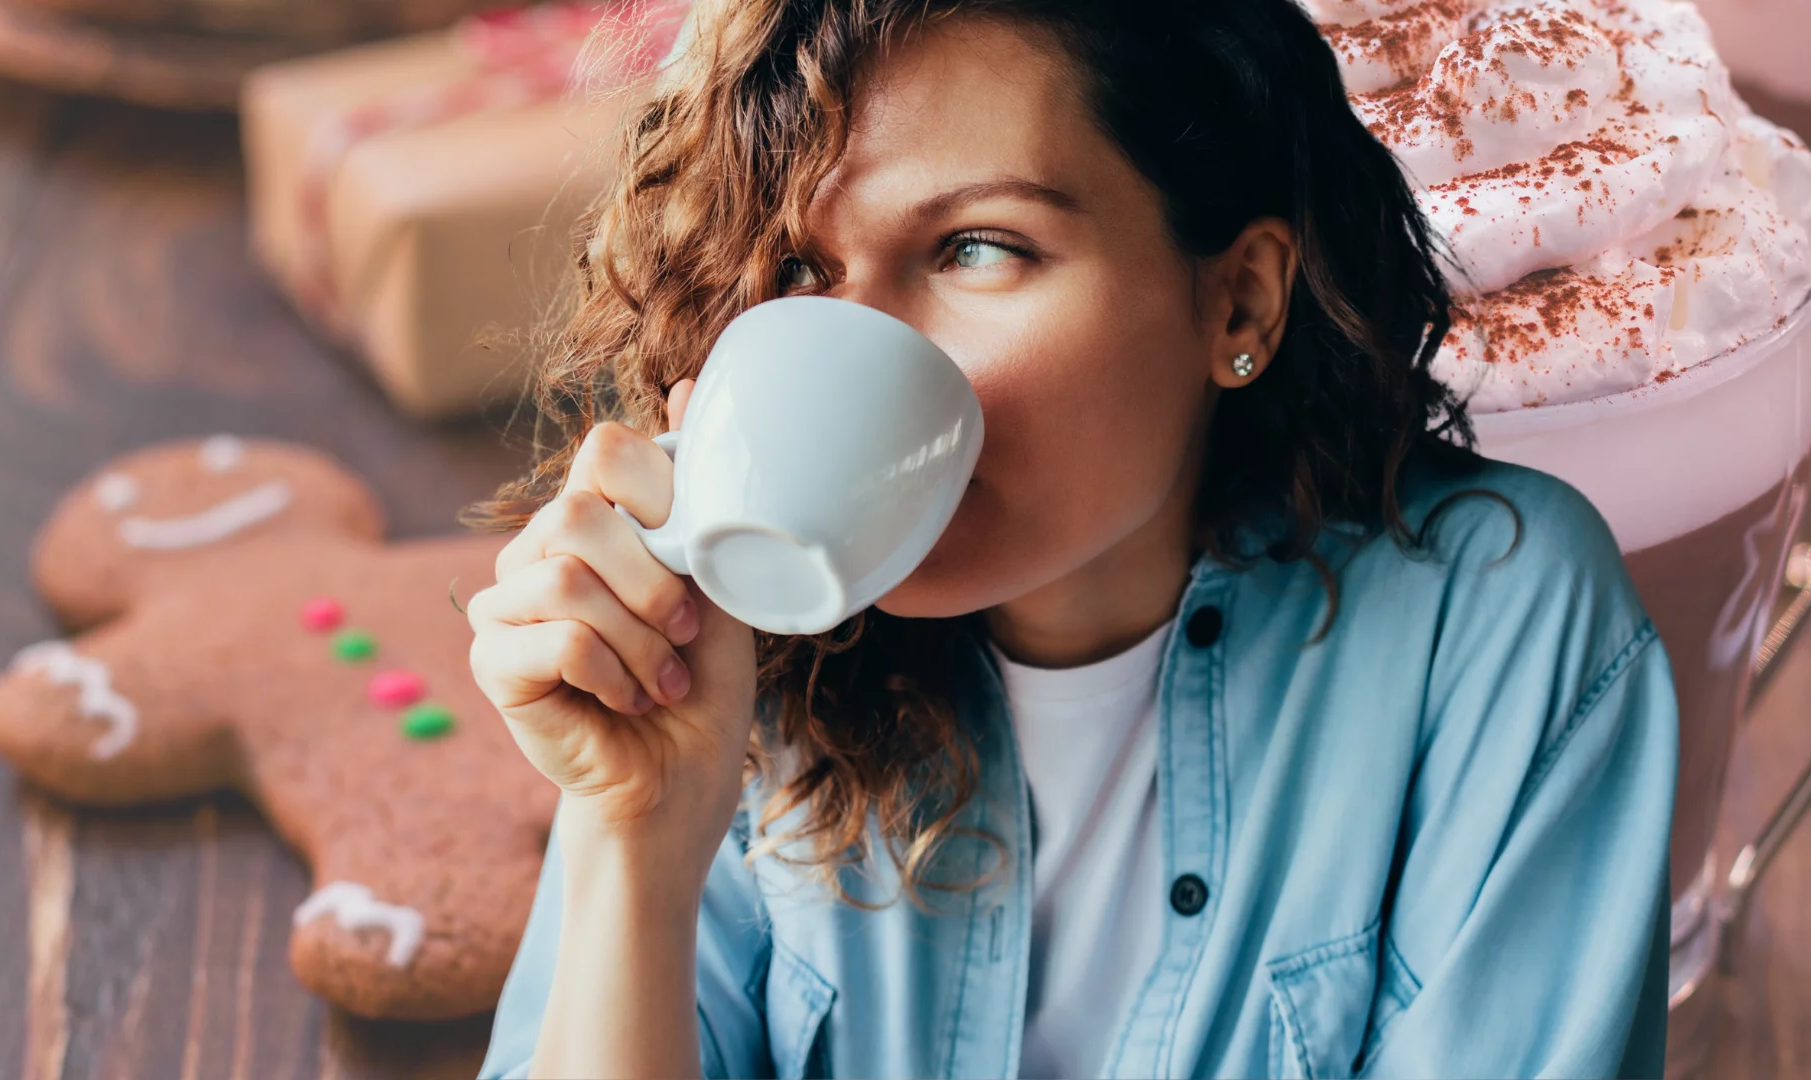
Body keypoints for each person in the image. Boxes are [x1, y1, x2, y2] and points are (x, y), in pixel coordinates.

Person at [461, 0, 1680, 1076]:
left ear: (1238, 299)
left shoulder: (1496, 624)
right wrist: (636, 844)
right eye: (797, 266)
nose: (857, 348)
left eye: (977, 248)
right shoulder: (724, 657)